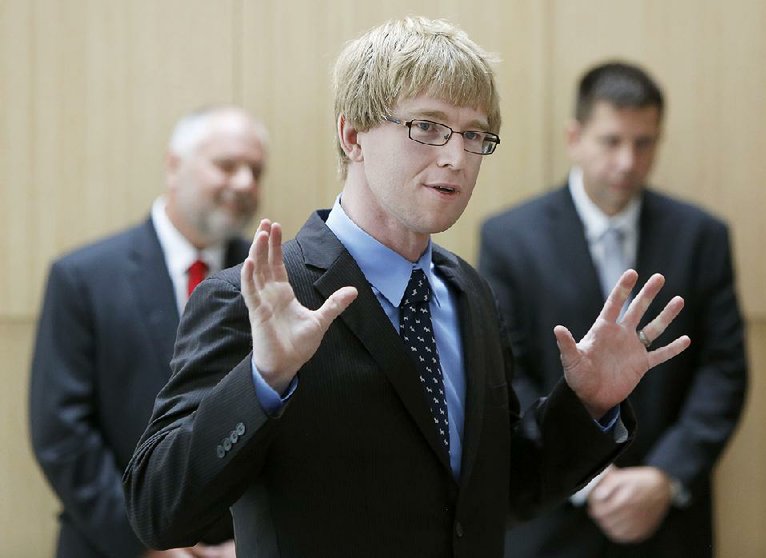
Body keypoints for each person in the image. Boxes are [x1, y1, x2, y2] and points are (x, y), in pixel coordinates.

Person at [123, 19, 690, 558]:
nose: (456, 157)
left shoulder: (469, 292)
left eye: (475, 135)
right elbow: (159, 510)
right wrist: (262, 379)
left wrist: (587, 404)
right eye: (427, 127)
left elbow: (499, 494)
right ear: (353, 135)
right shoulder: (258, 295)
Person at [479, 61, 748, 557]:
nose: (627, 161)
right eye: (611, 141)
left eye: (644, 143)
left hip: (667, 520)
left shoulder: (702, 236)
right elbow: (505, 374)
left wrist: (666, 476)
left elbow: (723, 369)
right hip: (551, 523)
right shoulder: (508, 238)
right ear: (575, 137)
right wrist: (590, 477)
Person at [29, 105, 269, 558]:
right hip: (114, 546)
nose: (244, 183)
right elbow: (62, 435)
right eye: (226, 165)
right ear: (174, 166)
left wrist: (250, 542)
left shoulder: (275, 277)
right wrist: (152, 545)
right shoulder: (83, 278)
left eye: (255, 171)